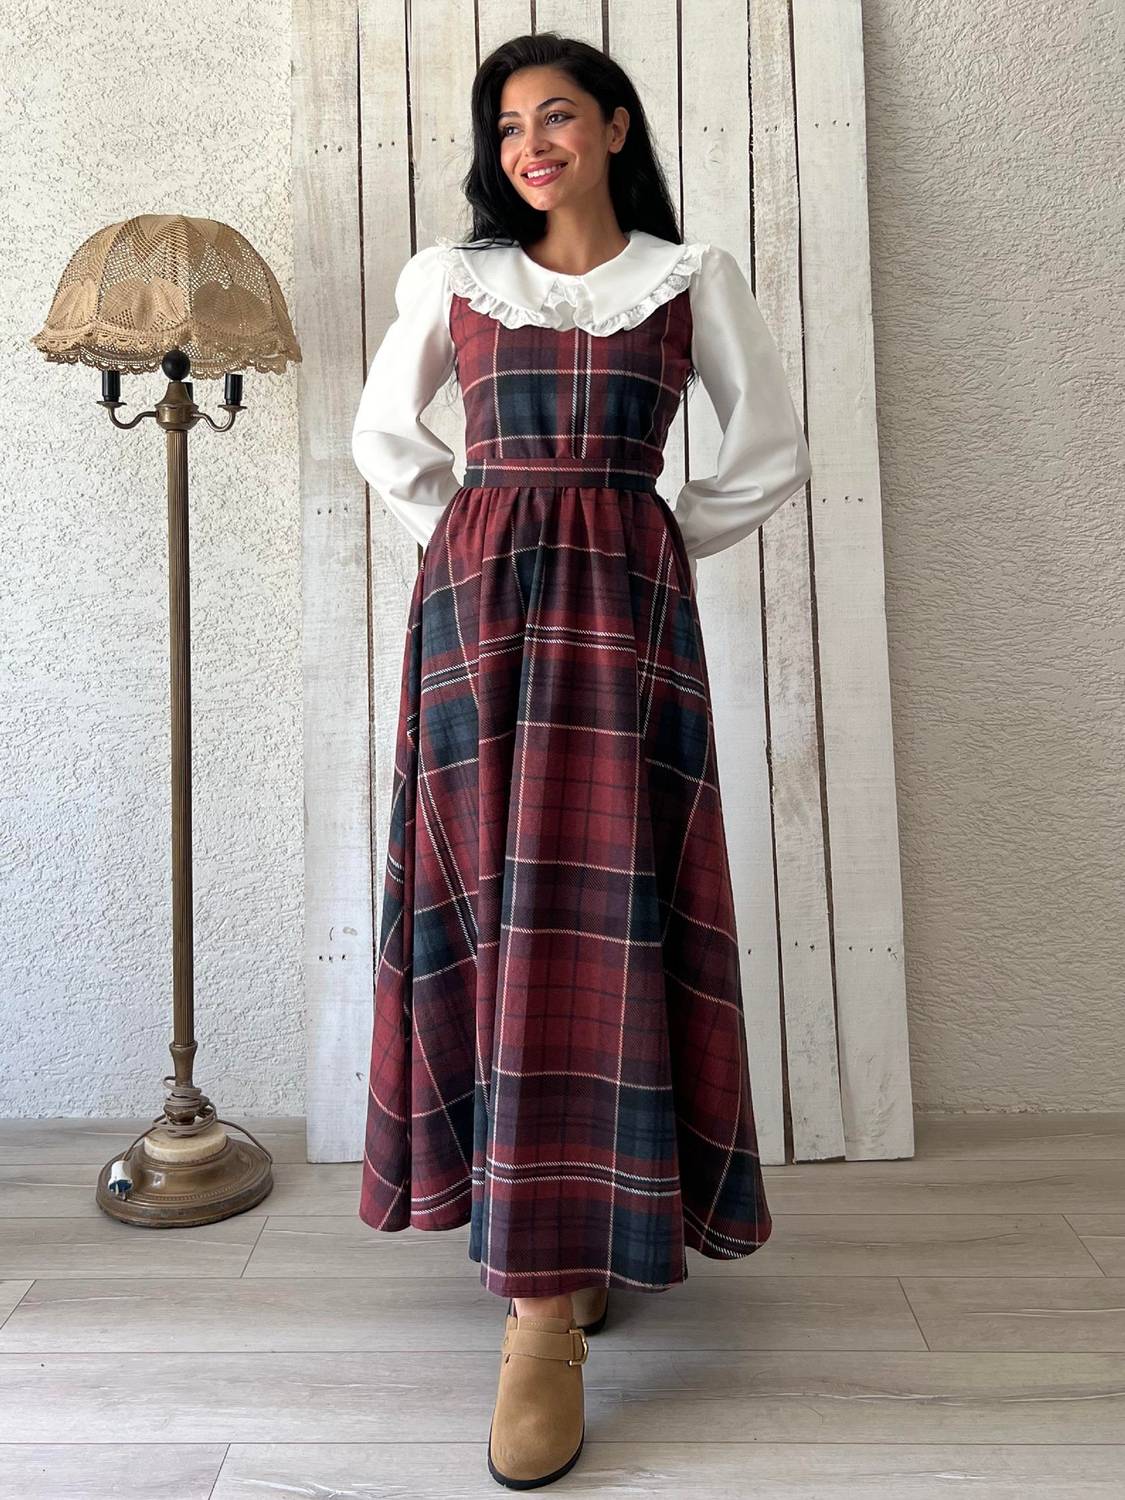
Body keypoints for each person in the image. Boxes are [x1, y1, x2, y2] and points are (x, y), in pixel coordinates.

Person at [351, 30, 811, 1491]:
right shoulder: (453, 279)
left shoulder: (689, 281)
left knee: (606, 919)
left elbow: (771, 449)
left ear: (615, 126)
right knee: (492, 914)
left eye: (557, 115)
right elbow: (383, 435)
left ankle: (562, 1278)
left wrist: (644, 537)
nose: (528, 143)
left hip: (627, 613)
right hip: (474, 622)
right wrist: (479, 531)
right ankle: (544, 1281)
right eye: (505, 125)